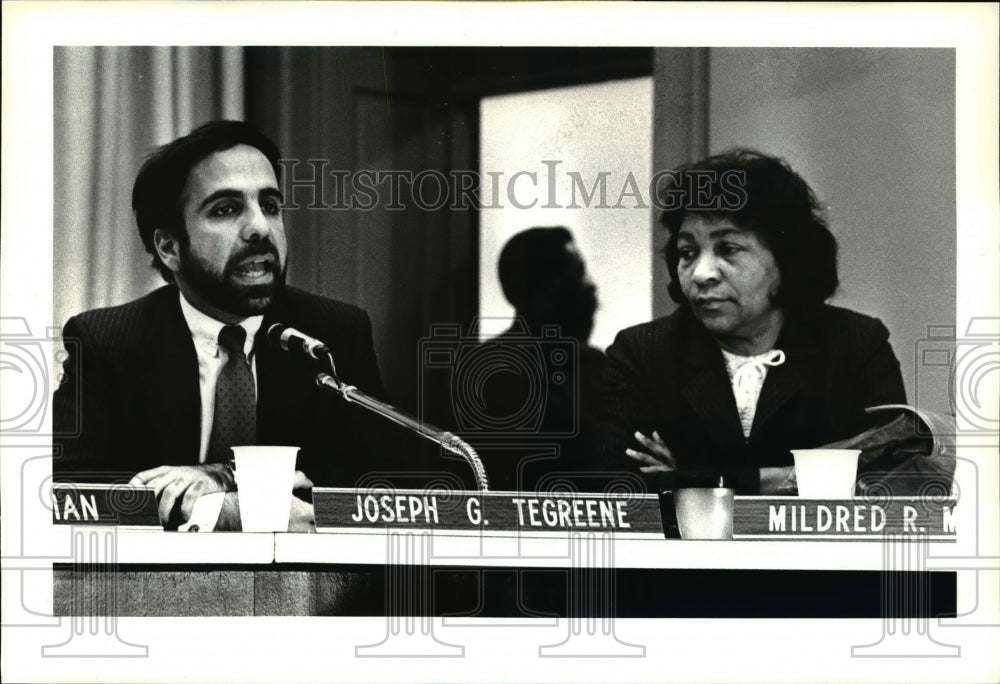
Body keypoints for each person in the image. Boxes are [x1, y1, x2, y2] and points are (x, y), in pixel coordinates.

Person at [53, 120, 400, 528]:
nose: (260, 228)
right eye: (226, 209)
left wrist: (225, 477)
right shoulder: (107, 341)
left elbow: (382, 483)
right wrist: (214, 511)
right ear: (169, 247)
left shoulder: (333, 334)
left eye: (270, 205)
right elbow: (70, 493)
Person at [597, 149, 907, 495]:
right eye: (687, 252)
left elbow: (889, 481)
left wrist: (693, 479)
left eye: (728, 249)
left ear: (786, 259)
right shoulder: (642, 353)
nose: (701, 274)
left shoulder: (855, 344)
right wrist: (788, 478)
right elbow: (617, 488)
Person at [466, 227, 607, 492]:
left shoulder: (596, 366)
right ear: (545, 286)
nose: (590, 284)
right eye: (577, 272)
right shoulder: (493, 370)